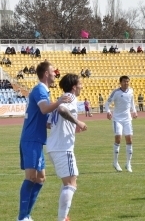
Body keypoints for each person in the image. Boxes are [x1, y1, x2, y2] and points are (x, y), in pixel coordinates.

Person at [17, 61, 70, 221]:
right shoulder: (40, 89)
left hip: (37, 139)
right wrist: (60, 101)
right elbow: (45, 109)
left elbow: (47, 120)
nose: (55, 73)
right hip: (31, 139)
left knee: (40, 178)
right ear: (46, 73)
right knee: (31, 177)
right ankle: (22, 217)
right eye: (53, 71)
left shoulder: (45, 92)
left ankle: (27, 215)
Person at [46, 74, 87, 221]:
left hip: (54, 146)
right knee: (71, 183)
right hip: (63, 147)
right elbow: (62, 110)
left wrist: (70, 126)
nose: (82, 86)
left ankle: (63, 217)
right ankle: (62, 218)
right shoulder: (69, 98)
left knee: (68, 182)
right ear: (74, 86)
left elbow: (49, 123)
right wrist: (78, 122)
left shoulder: (61, 99)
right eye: (80, 83)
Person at [104, 76, 138, 173]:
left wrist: (134, 111)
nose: (126, 83)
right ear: (120, 82)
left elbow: (132, 102)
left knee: (130, 140)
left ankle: (128, 164)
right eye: (124, 82)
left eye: (127, 81)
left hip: (127, 119)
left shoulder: (131, 91)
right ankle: (115, 162)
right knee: (118, 138)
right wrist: (108, 111)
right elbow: (107, 104)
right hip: (117, 119)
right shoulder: (116, 92)